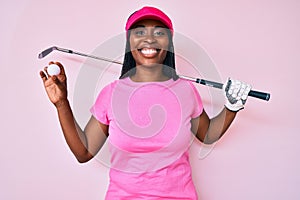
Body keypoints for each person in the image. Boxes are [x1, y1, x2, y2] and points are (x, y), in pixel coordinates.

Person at [40, 6, 251, 200]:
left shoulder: (186, 91)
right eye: (139, 32)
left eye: (159, 33)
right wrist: (62, 103)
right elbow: (83, 152)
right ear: (129, 42)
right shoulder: (111, 94)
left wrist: (232, 108)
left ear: (168, 42)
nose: (149, 39)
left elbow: (207, 134)